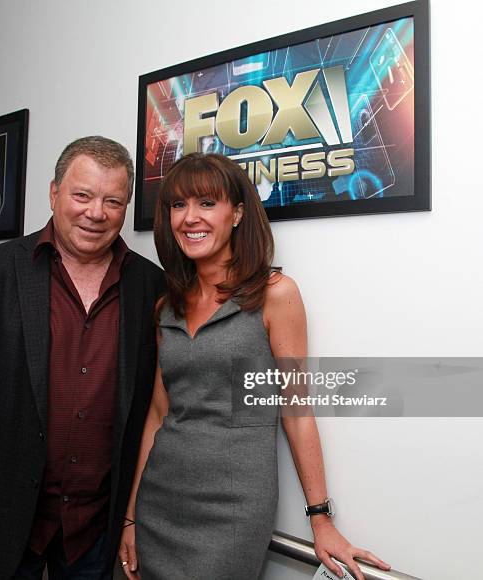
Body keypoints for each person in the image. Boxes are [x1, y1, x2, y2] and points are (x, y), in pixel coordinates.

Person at [118, 153, 390, 580]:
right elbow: (157, 414)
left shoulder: (275, 294)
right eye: (178, 205)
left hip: (232, 511)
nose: (190, 218)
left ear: (238, 213)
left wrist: (320, 519)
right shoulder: (165, 307)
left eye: (207, 203)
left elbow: (296, 412)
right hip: (160, 502)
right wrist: (132, 516)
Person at [0, 136, 165, 580]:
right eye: (82, 195)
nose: (96, 213)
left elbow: (158, 408)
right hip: (3, 519)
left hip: (96, 532)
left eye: (113, 201)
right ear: (54, 194)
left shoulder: (153, 288)